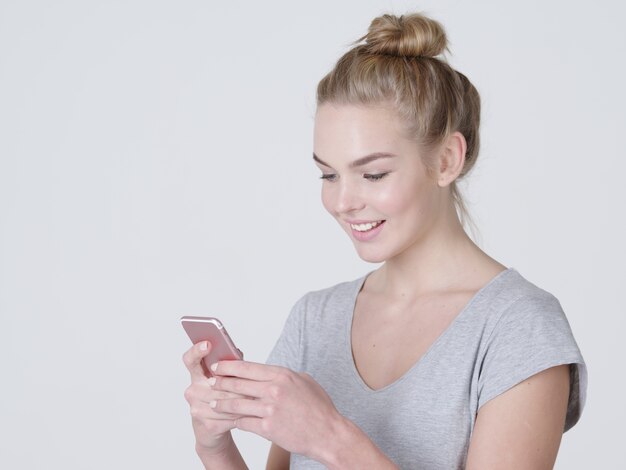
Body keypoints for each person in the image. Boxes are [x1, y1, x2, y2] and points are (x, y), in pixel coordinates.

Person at [182, 12, 587, 469]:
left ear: (447, 159)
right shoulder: (315, 320)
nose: (342, 201)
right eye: (328, 174)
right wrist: (214, 448)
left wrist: (332, 438)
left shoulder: (518, 328)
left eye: (372, 173)